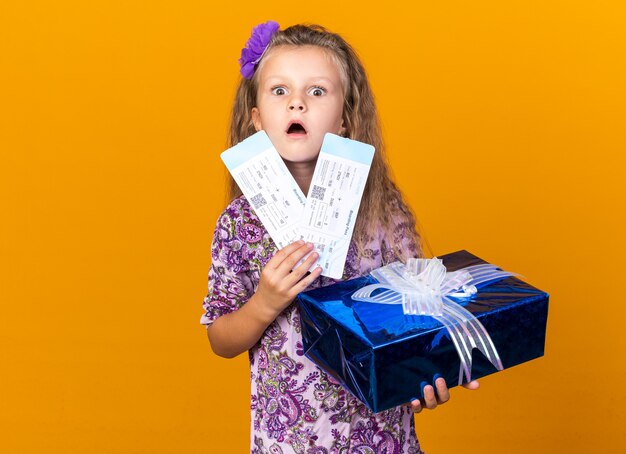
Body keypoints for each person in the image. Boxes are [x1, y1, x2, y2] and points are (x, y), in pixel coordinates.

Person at [201, 21, 478, 453]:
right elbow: (220, 339)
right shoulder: (239, 225)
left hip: (382, 439)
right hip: (287, 441)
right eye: (279, 91)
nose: (297, 103)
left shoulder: (382, 211)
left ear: (346, 119)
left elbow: (418, 310)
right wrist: (264, 304)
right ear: (256, 120)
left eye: (317, 91)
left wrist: (430, 367)